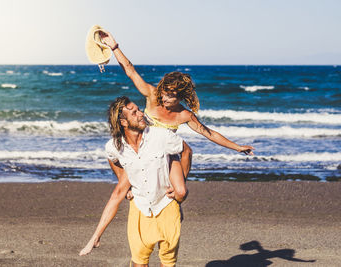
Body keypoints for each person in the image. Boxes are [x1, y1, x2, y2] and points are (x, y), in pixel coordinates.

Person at [99, 30, 255, 181]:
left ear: (180, 97)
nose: (165, 98)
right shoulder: (153, 95)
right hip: (143, 147)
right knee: (114, 150)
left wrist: (237, 147)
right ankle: (123, 182)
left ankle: (181, 185)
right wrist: (114, 47)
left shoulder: (184, 115)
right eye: (164, 92)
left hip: (163, 154)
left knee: (185, 154)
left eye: (171, 95)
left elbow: (209, 133)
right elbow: (130, 71)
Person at [79, 96, 190, 267]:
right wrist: (96, 237)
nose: (141, 114)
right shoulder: (114, 147)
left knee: (167, 262)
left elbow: (186, 151)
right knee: (139, 261)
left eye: (139, 109)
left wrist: (180, 184)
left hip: (166, 204)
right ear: (123, 122)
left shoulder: (160, 136)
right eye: (134, 113)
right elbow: (112, 161)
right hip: (140, 207)